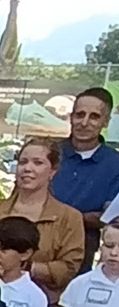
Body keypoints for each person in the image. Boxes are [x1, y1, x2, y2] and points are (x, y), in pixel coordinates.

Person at [0, 137, 86, 296]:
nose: (27, 168)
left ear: (52, 171)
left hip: (43, 298)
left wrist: (22, 266)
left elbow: (68, 268)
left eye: (38, 163)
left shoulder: (69, 217)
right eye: (23, 162)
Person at [55, 88, 119, 241]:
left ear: (106, 122)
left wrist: (56, 216)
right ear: (71, 117)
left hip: (84, 245)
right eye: (80, 114)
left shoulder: (115, 164)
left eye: (94, 117)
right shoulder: (49, 154)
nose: (84, 123)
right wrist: (85, 216)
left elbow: (109, 218)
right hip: (33, 240)